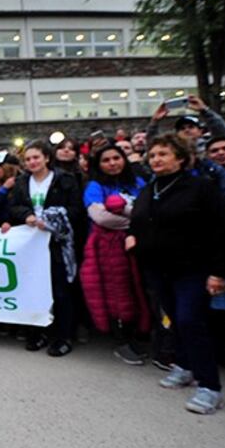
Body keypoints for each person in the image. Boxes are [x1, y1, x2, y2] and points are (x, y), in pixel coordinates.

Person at [128, 134, 225, 414]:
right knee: (174, 320)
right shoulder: (150, 189)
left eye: (163, 154)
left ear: (181, 158)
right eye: (153, 155)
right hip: (158, 268)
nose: (156, 159)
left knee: (191, 321)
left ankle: (209, 386)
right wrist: (133, 237)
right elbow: (140, 221)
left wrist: (219, 272)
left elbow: (220, 231)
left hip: (192, 269)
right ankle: (184, 366)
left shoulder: (200, 188)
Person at [6, 140, 85, 356]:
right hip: (32, 246)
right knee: (36, 289)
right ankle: (38, 332)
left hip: (58, 244)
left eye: (36, 157)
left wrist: (52, 219)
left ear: (47, 158)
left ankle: (63, 336)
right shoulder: (22, 182)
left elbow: (75, 209)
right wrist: (27, 216)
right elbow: (14, 206)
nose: (32, 162)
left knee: (61, 291)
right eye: (28, 159)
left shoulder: (65, 180)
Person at [78, 144, 150, 365]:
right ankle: (123, 340)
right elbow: (101, 217)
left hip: (141, 245)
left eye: (116, 158)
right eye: (106, 160)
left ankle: (144, 335)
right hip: (109, 250)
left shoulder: (139, 183)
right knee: (118, 294)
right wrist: (139, 223)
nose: (112, 163)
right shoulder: (95, 186)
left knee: (144, 292)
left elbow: (152, 208)